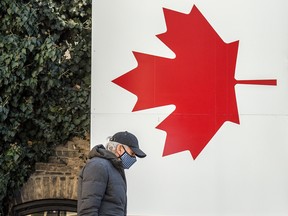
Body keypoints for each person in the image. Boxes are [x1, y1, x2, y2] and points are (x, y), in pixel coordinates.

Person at [77, 131, 146, 216]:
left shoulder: (114, 169)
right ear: (120, 148)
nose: (133, 158)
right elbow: (88, 210)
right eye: (132, 153)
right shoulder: (98, 166)